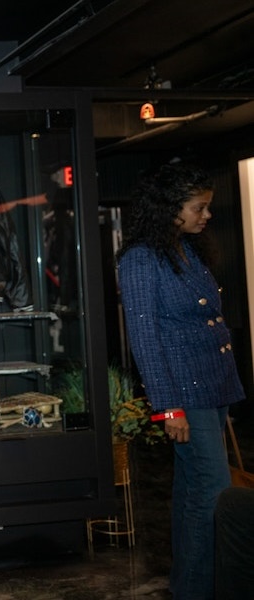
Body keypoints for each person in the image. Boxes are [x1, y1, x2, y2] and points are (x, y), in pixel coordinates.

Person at [117, 162, 244, 600]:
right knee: (212, 493)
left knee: (197, 493)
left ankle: (192, 587)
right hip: (184, 396)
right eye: (198, 207)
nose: (206, 216)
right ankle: (197, 590)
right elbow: (145, 341)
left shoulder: (185, 250)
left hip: (212, 389)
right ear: (170, 209)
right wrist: (167, 407)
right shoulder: (140, 259)